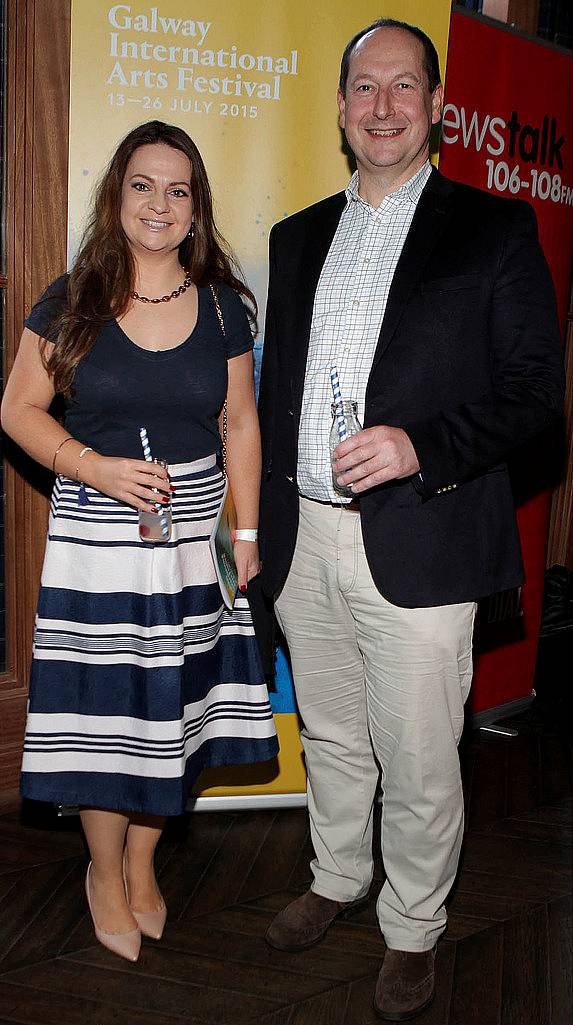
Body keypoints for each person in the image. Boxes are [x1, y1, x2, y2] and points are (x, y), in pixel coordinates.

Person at [257, 18, 564, 1021]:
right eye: (363, 88)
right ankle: (339, 872)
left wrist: (421, 446)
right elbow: (275, 398)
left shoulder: (494, 229)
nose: (382, 106)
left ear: (435, 108)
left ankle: (413, 924)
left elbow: (534, 395)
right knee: (336, 731)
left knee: (425, 751)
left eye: (403, 87)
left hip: (425, 534)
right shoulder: (295, 237)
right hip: (306, 532)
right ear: (340, 107)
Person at [1, 120, 278, 963]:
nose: (159, 203)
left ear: (196, 210)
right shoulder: (71, 298)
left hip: (196, 540)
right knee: (103, 718)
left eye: (178, 189)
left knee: (176, 712)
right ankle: (103, 869)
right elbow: (16, 409)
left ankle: (145, 864)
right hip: (98, 537)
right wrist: (95, 467)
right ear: (116, 197)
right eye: (142, 185)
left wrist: (247, 531)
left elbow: (239, 422)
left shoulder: (225, 304)